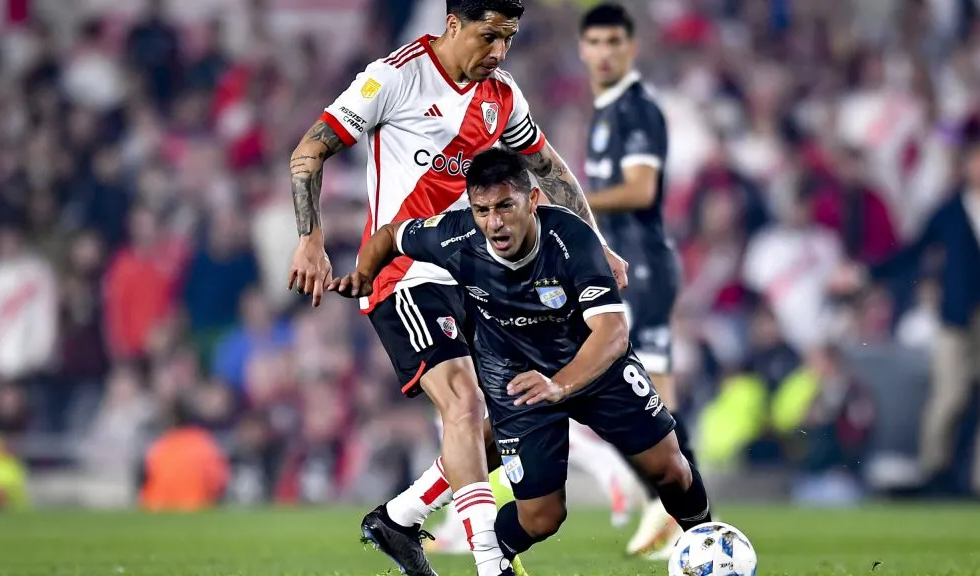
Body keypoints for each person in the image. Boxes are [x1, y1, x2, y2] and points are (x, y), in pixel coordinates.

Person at [286, 1, 627, 575]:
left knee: (519, 408)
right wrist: (310, 239)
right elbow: (309, 150)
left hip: (478, 278)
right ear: (452, 25)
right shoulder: (394, 76)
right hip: (405, 270)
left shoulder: (502, 95)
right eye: (489, 35)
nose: (498, 51)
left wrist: (595, 243)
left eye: (510, 38)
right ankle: (491, 565)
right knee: (464, 404)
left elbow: (548, 169)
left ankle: (399, 518)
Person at [328, 148, 713, 566]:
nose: (494, 222)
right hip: (515, 376)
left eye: (505, 206)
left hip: (593, 363)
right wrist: (363, 276)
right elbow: (388, 235)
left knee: (671, 469)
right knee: (543, 516)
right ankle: (494, 559)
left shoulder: (572, 238)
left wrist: (560, 384)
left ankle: (708, 543)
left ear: (531, 201)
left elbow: (613, 333)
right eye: (482, 210)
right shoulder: (455, 236)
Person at [577, 3, 695, 557]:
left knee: (648, 395)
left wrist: (570, 201)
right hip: (626, 265)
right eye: (594, 42)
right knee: (650, 393)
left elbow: (642, 189)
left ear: (632, 48)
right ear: (583, 50)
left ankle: (684, 517)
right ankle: (672, 512)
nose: (603, 52)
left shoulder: (638, 110)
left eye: (613, 42)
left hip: (642, 263)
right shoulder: (605, 112)